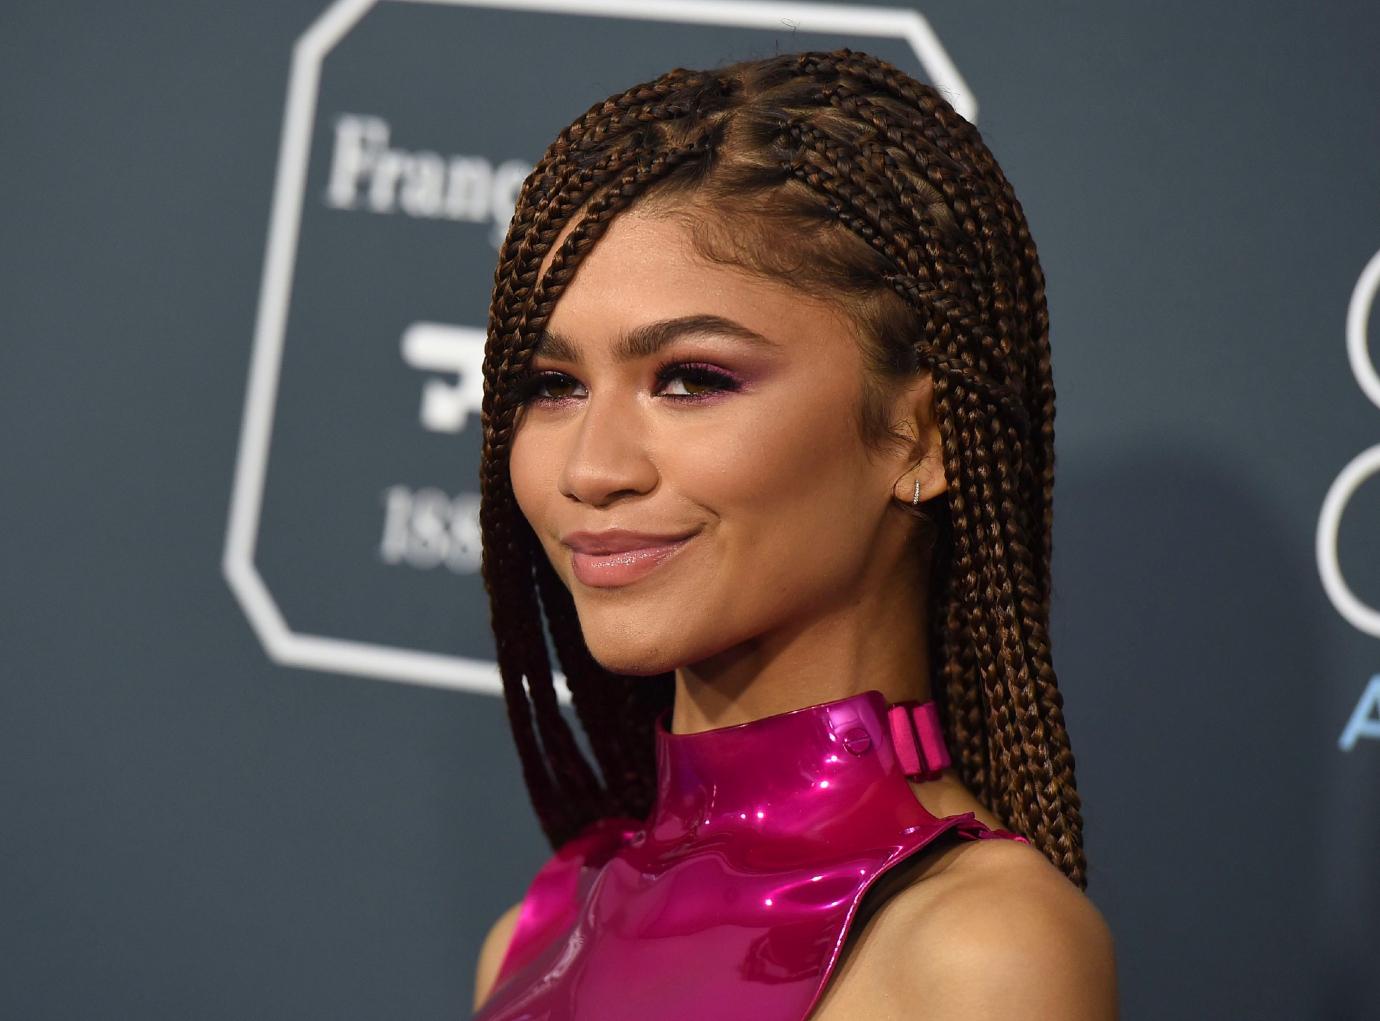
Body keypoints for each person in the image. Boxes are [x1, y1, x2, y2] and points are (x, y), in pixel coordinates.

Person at [469, 48, 1117, 1020]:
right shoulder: (537, 928)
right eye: (552, 386)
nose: (589, 468)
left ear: (924, 438)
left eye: (691, 378)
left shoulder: (978, 954)